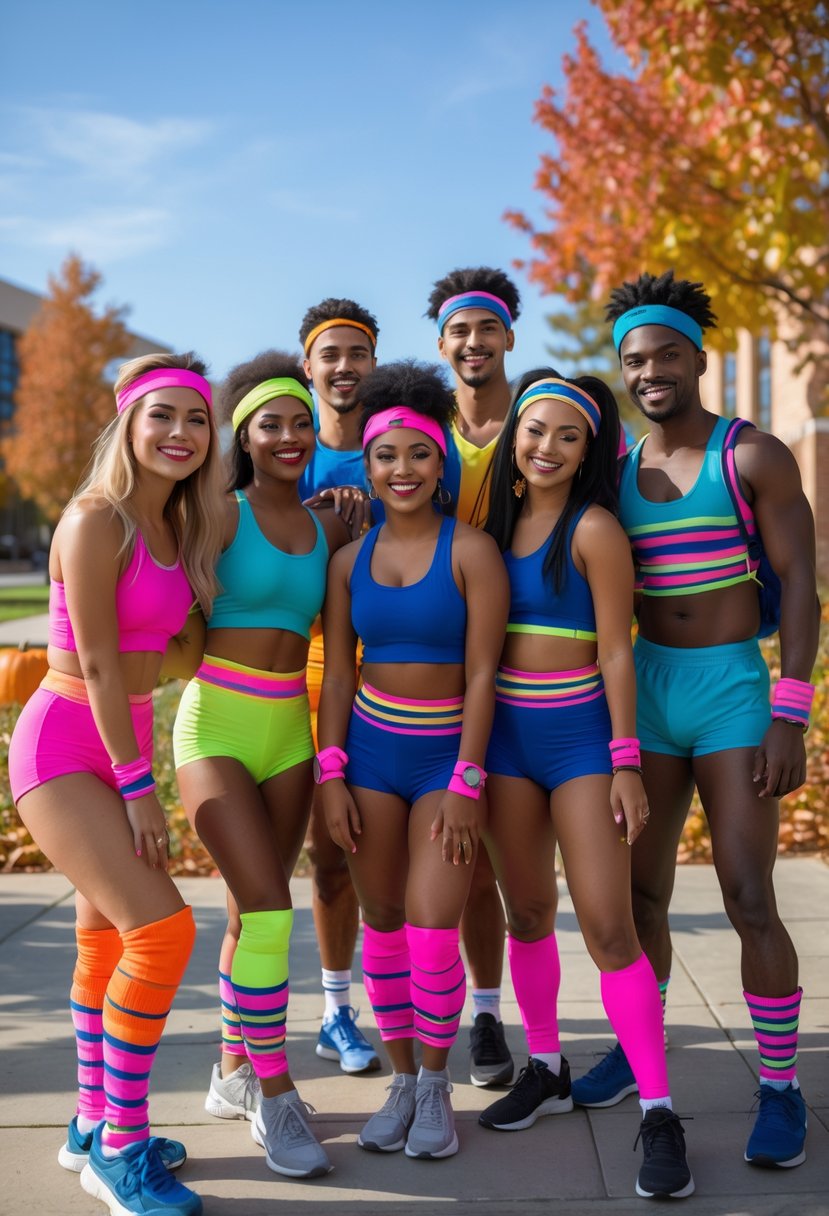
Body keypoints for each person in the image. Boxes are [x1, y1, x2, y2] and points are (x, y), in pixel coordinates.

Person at [572, 271, 819, 1172]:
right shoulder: (614, 473)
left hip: (728, 691)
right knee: (639, 896)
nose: (648, 372)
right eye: (632, 359)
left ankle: (782, 1087)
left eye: (664, 354)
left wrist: (789, 710)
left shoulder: (751, 455)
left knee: (748, 894)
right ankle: (642, 1049)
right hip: (647, 687)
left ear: (696, 358)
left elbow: (798, 583)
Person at [8, 353, 224, 1216]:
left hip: (120, 738)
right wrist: (139, 787)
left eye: (197, 420)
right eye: (162, 416)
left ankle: (92, 1123)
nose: (180, 433)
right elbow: (97, 662)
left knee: (104, 941)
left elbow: (173, 651)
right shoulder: (96, 518)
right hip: (66, 743)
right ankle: (123, 1150)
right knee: (164, 932)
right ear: (129, 426)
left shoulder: (179, 530)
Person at [476, 370, 694, 1200]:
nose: (546, 448)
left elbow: (613, 652)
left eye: (567, 437)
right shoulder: (486, 530)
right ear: (514, 438)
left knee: (608, 927)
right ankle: (544, 1065)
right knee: (525, 912)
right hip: (503, 747)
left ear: (587, 449)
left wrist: (627, 760)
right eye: (535, 431)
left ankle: (660, 1109)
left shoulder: (594, 528)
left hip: (578, 747)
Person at [318, 360, 509, 1159]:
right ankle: (400, 1080)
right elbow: (337, 673)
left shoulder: (471, 552)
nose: (402, 470)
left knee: (434, 923)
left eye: (418, 455)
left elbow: (481, 673)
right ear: (367, 464)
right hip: (369, 756)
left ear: (442, 463)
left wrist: (468, 780)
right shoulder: (346, 561)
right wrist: (331, 773)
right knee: (385, 925)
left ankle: (435, 1083)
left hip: (444, 765)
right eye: (385, 456)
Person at [173, 351, 350, 1179]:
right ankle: (276, 1098)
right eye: (269, 423)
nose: (287, 435)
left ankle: (229, 1070)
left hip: (290, 729)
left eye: (299, 421)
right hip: (215, 722)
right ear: (242, 436)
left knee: (256, 912)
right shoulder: (216, 511)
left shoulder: (329, 526)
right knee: (272, 910)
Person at [423, 265, 526, 1088]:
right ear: (441, 344)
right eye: (458, 331)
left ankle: (487, 1012)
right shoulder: (424, 432)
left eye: (485, 329)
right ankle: (430, 1011)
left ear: (508, 339)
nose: (472, 343)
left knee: (499, 859)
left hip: (523, 662)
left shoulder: (538, 424)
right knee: (450, 857)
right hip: (430, 667)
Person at [298, 298, 382, 1074]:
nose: (344, 366)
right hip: (305, 670)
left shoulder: (399, 445)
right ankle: (334, 1011)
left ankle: (433, 1000)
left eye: (357, 353)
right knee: (326, 854)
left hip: (392, 672)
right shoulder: (285, 452)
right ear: (308, 365)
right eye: (330, 354)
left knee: (393, 853)